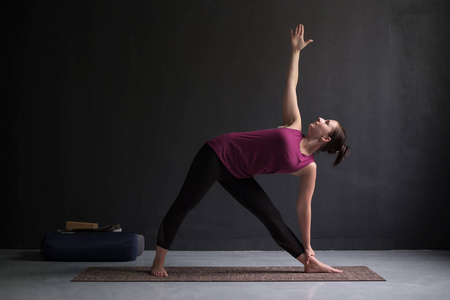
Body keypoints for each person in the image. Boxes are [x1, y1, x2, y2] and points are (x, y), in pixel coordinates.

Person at [151, 24, 349, 277]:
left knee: (271, 216)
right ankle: (158, 262)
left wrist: (308, 246)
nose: (321, 118)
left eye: (326, 122)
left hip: (239, 174)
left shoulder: (308, 168)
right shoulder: (294, 124)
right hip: (217, 154)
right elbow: (291, 84)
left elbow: (303, 207)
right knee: (185, 204)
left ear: (326, 138)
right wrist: (296, 52)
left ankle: (308, 262)